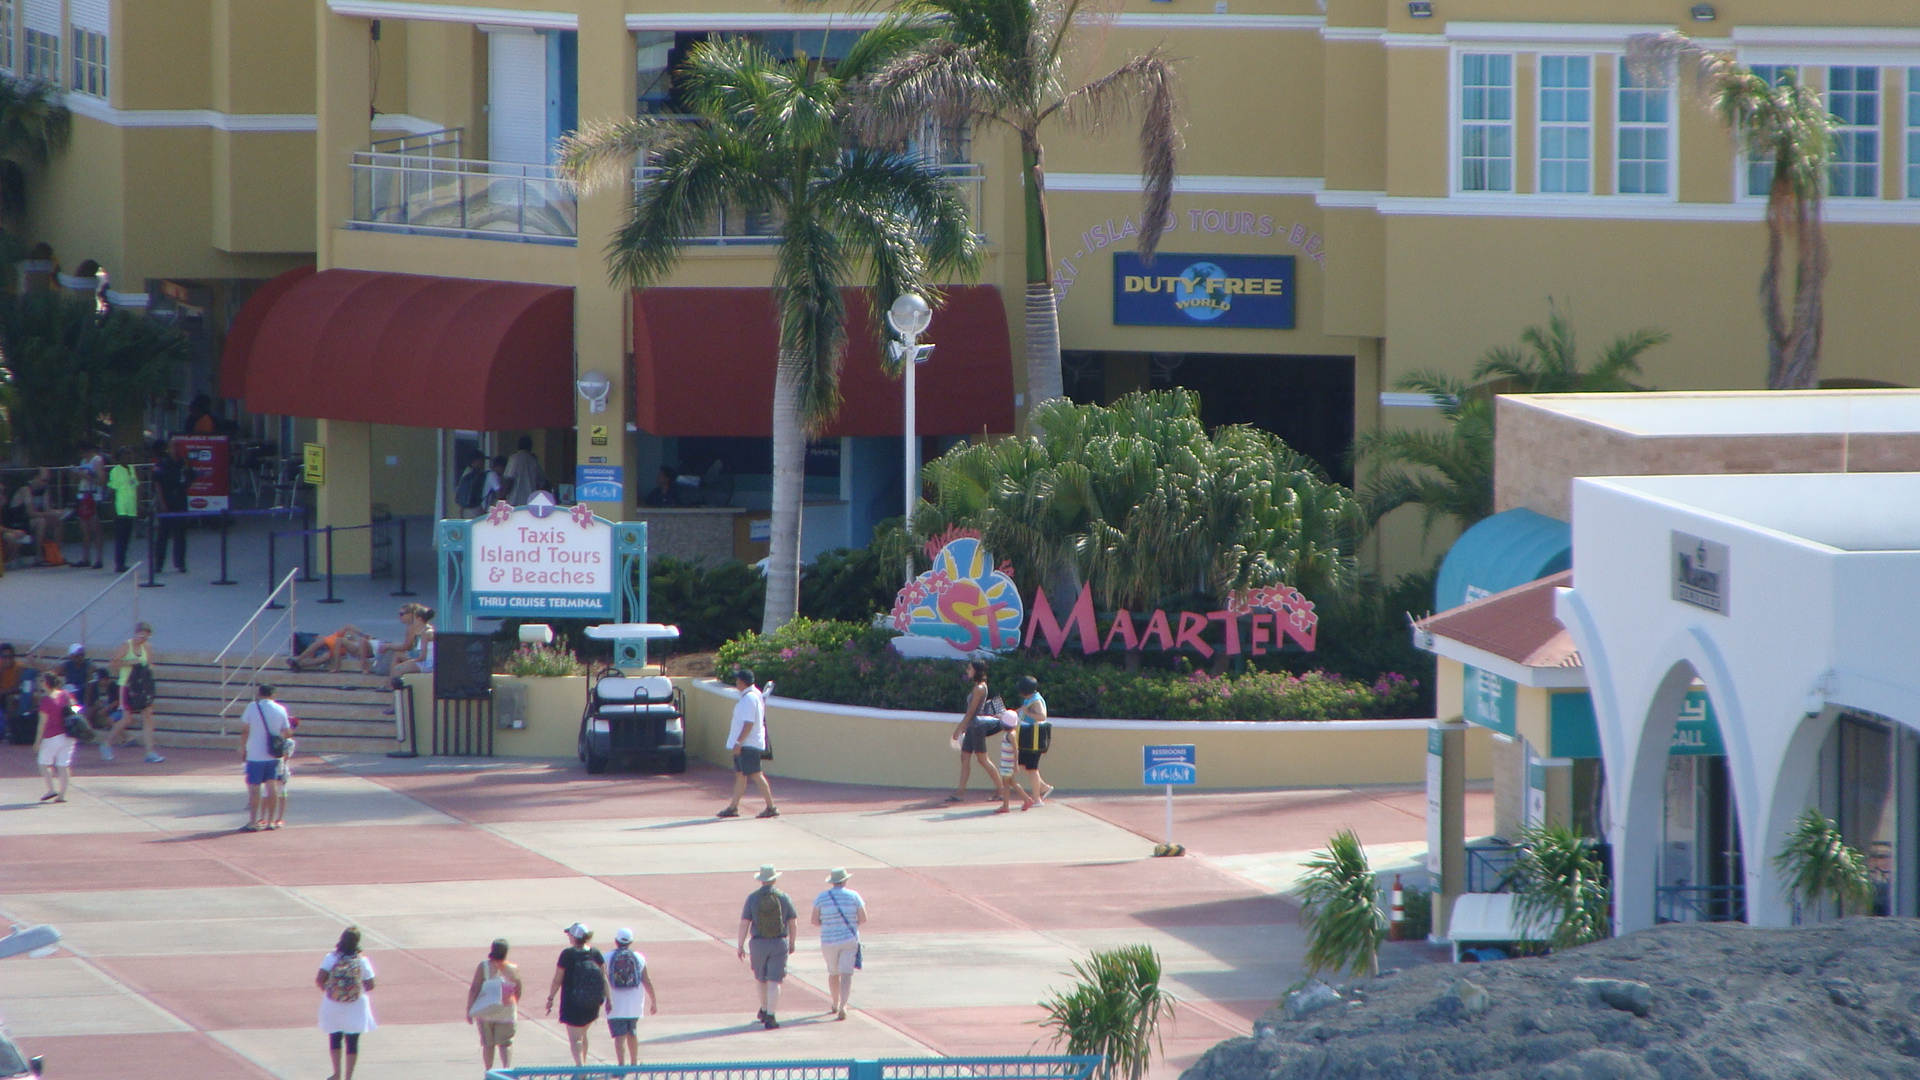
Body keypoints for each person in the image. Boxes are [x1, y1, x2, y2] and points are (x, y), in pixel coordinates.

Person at [737, 864, 798, 1029]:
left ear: (761, 880)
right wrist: (791, 942)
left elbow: (744, 923)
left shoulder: (752, 898)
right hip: (779, 942)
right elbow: (792, 922)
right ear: (775, 879)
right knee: (775, 981)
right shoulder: (783, 897)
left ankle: (764, 1009)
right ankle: (771, 1015)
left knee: (760, 977)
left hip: (758, 943)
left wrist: (740, 945)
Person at [316, 926, 376, 1080]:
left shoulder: (331, 957)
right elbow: (370, 985)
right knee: (352, 1041)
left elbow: (320, 979)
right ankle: (348, 1077)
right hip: (355, 1005)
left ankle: (336, 1074)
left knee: (335, 1038)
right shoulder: (361, 960)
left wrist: (332, 990)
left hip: (333, 1003)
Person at [718, 668, 777, 819]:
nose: (736, 682)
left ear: (743, 682)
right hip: (745, 743)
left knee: (756, 774)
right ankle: (733, 807)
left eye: (738, 680)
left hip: (747, 744)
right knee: (741, 775)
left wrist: (739, 742)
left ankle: (771, 807)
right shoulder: (751, 696)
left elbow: (748, 723)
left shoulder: (750, 698)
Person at [949, 660, 1008, 807]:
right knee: (965, 757)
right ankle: (960, 793)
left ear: (976, 671)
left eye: (969, 668)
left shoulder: (980, 688)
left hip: (976, 726)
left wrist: (959, 729)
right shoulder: (978, 687)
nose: (967, 670)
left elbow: (971, 711)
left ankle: (1002, 790)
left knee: (982, 759)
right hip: (973, 726)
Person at [546, 922, 606, 1066]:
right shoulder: (596, 953)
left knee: (575, 1039)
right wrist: (608, 1000)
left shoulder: (567, 954)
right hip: (592, 1003)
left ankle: (580, 1069)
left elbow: (557, 979)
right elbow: (603, 979)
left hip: (571, 1002)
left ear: (573, 937)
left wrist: (551, 998)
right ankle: (583, 1066)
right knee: (583, 1035)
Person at [811, 868, 867, 1020]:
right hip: (849, 938)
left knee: (833, 972)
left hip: (828, 940)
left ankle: (834, 1002)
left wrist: (829, 923)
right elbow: (863, 918)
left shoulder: (822, 897)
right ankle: (843, 1006)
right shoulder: (854, 896)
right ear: (845, 880)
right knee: (847, 974)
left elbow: (814, 920)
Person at [105, 621, 162, 763]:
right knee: (126, 718)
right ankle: (106, 743)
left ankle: (149, 752)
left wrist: (149, 668)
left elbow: (149, 664)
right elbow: (113, 664)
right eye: (142, 636)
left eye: (146, 638)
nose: (143, 640)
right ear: (136, 633)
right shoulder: (126, 646)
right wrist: (130, 662)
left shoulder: (147, 648)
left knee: (148, 716)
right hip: (127, 685)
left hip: (142, 686)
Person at [466, 938, 523, 1074]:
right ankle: (506, 1070)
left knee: (488, 1044)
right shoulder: (513, 968)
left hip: (486, 1010)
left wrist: (469, 1010)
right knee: (506, 1043)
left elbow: (474, 988)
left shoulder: (484, 966)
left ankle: (489, 1072)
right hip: (507, 1010)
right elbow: (518, 990)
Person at [241, 684, 292, 831]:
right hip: (273, 754)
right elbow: (287, 732)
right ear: (273, 694)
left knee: (254, 788)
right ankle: (271, 821)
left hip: (255, 753)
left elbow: (245, 730)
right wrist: (276, 739)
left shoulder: (252, 707)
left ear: (259, 693)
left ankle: (253, 821)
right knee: (272, 787)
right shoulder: (280, 709)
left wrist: (243, 748)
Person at [605, 927, 658, 1066]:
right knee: (632, 1032)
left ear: (616, 941)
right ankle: (634, 1062)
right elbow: (647, 980)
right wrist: (653, 1000)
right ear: (631, 941)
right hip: (634, 1003)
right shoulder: (639, 957)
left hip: (614, 1003)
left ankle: (621, 1065)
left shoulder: (607, 957)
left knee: (619, 1036)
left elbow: (601, 979)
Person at [34, 671, 78, 803]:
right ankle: (62, 795)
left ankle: (51, 789)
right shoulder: (66, 694)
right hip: (69, 735)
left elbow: (42, 723)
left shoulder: (46, 701)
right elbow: (76, 709)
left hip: (53, 735)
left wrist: (37, 741)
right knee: (63, 765)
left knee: (43, 763)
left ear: (46, 684)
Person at [151, 439, 195, 573]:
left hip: (180, 500)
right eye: (173, 446)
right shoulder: (162, 462)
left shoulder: (184, 462)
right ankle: (158, 564)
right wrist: (161, 501)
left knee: (180, 534)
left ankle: (180, 563)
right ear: (168, 448)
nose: (175, 448)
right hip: (166, 500)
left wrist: (187, 477)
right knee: (162, 534)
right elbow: (157, 483)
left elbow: (190, 478)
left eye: (177, 446)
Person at [1011, 675, 1055, 806]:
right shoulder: (1029, 700)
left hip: (1034, 739)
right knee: (1024, 766)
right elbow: (1022, 710)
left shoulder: (1036, 701)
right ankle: (1044, 787)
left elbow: (1041, 716)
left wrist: (1027, 712)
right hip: (1028, 738)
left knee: (1032, 768)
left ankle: (1037, 799)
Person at [9, 469, 65, 564]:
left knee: (57, 520)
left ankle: (56, 553)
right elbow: (30, 513)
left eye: (47, 481)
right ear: (36, 478)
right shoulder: (26, 490)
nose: (46, 483)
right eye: (44, 480)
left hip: (33, 519)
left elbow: (47, 508)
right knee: (41, 521)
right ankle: (38, 556)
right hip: (20, 522)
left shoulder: (44, 490)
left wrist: (56, 513)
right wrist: (49, 514)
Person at [73, 441, 108, 569]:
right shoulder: (83, 461)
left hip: (94, 496)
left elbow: (102, 480)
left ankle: (98, 559)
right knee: (84, 529)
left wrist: (89, 477)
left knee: (96, 528)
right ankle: (85, 557)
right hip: (83, 495)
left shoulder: (97, 461)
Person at [107, 446, 140, 574]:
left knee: (127, 536)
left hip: (131, 507)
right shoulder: (115, 471)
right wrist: (112, 509)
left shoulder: (131, 469)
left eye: (129, 455)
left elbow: (135, 486)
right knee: (120, 537)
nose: (128, 457)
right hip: (121, 507)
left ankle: (123, 561)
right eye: (125, 455)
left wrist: (139, 504)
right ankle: (119, 563)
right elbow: (112, 491)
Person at [289, 625, 375, 674]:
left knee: (326, 657)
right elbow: (348, 626)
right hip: (318, 642)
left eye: (351, 638)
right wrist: (361, 634)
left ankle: (299, 664)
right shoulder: (340, 635)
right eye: (348, 636)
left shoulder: (348, 647)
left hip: (326, 651)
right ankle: (298, 658)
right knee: (321, 641)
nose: (349, 638)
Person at [503, 435, 543, 505]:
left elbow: (509, 480)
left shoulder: (514, 459)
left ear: (518, 445)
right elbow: (540, 483)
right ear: (530, 446)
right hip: (530, 501)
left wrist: (503, 495)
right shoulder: (534, 461)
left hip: (514, 500)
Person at [454, 452, 488, 517]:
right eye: (481, 460)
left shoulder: (466, 472)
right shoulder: (475, 475)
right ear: (475, 461)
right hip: (474, 509)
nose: (483, 463)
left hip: (464, 509)